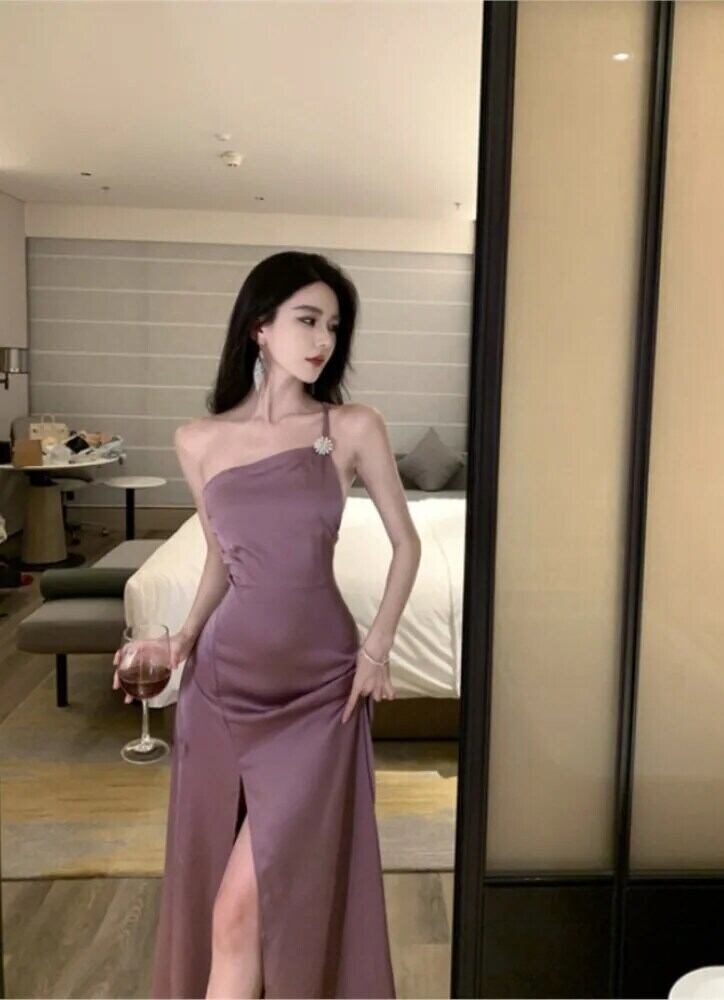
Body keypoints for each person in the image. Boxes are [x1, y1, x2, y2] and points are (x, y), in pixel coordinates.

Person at [113, 250, 421, 999]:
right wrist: (180, 640)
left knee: (245, 903)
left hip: (321, 695)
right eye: (307, 320)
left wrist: (377, 650)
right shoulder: (199, 440)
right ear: (260, 326)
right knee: (224, 911)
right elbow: (223, 557)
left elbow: (407, 544)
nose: (323, 340)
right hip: (222, 690)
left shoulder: (350, 427)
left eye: (333, 327)